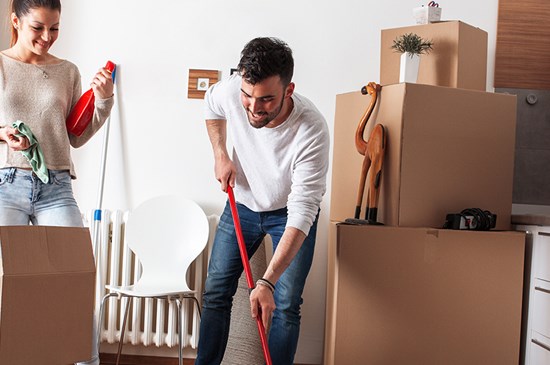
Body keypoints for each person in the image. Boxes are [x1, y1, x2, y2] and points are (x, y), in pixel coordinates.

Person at [196, 37, 330, 365]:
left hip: (289, 214)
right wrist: (220, 154)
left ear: (289, 89)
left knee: (285, 304)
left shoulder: (311, 130)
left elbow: (302, 213)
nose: (254, 108)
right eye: (247, 96)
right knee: (216, 294)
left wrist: (266, 281)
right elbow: (211, 107)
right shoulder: (230, 90)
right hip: (242, 203)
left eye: (267, 99)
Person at [0, 1, 114, 364]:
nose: (47, 37)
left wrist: (104, 100)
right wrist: (5, 134)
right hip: (7, 183)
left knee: (75, 283)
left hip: (56, 186)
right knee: (8, 289)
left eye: (55, 28)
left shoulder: (68, 71)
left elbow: (75, 136)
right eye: (38, 28)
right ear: (16, 21)